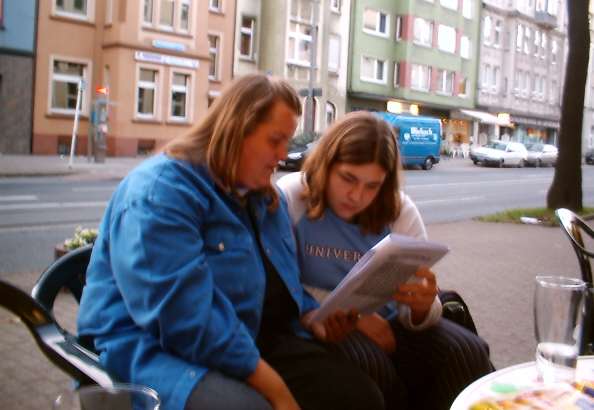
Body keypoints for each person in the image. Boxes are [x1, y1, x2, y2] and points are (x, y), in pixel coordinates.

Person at [77, 73, 384, 410]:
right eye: (275, 140)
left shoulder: (264, 198)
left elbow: (283, 288)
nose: (284, 154)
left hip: (249, 340)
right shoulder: (160, 195)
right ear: (235, 129)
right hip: (150, 349)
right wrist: (276, 390)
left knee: (360, 396)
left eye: (287, 140)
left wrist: (313, 317)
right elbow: (185, 319)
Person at [277, 111, 494, 410]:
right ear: (326, 164)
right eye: (348, 178)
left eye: (373, 186)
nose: (357, 196)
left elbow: (417, 308)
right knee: (370, 365)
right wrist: (354, 316)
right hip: (318, 323)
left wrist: (422, 308)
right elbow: (279, 281)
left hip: (392, 323)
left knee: (466, 352)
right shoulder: (293, 196)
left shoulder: (399, 210)